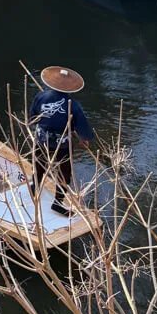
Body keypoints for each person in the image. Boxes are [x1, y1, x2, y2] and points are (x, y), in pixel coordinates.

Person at [29, 66, 96, 217]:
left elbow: (33, 119)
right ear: (70, 88)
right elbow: (81, 127)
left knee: (39, 164)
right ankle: (58, 203)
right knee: (64, 174)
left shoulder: (40, 96)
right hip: (62, 144)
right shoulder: (73, 105)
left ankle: (35, 187)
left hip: (42, 140)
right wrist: (84, 139)